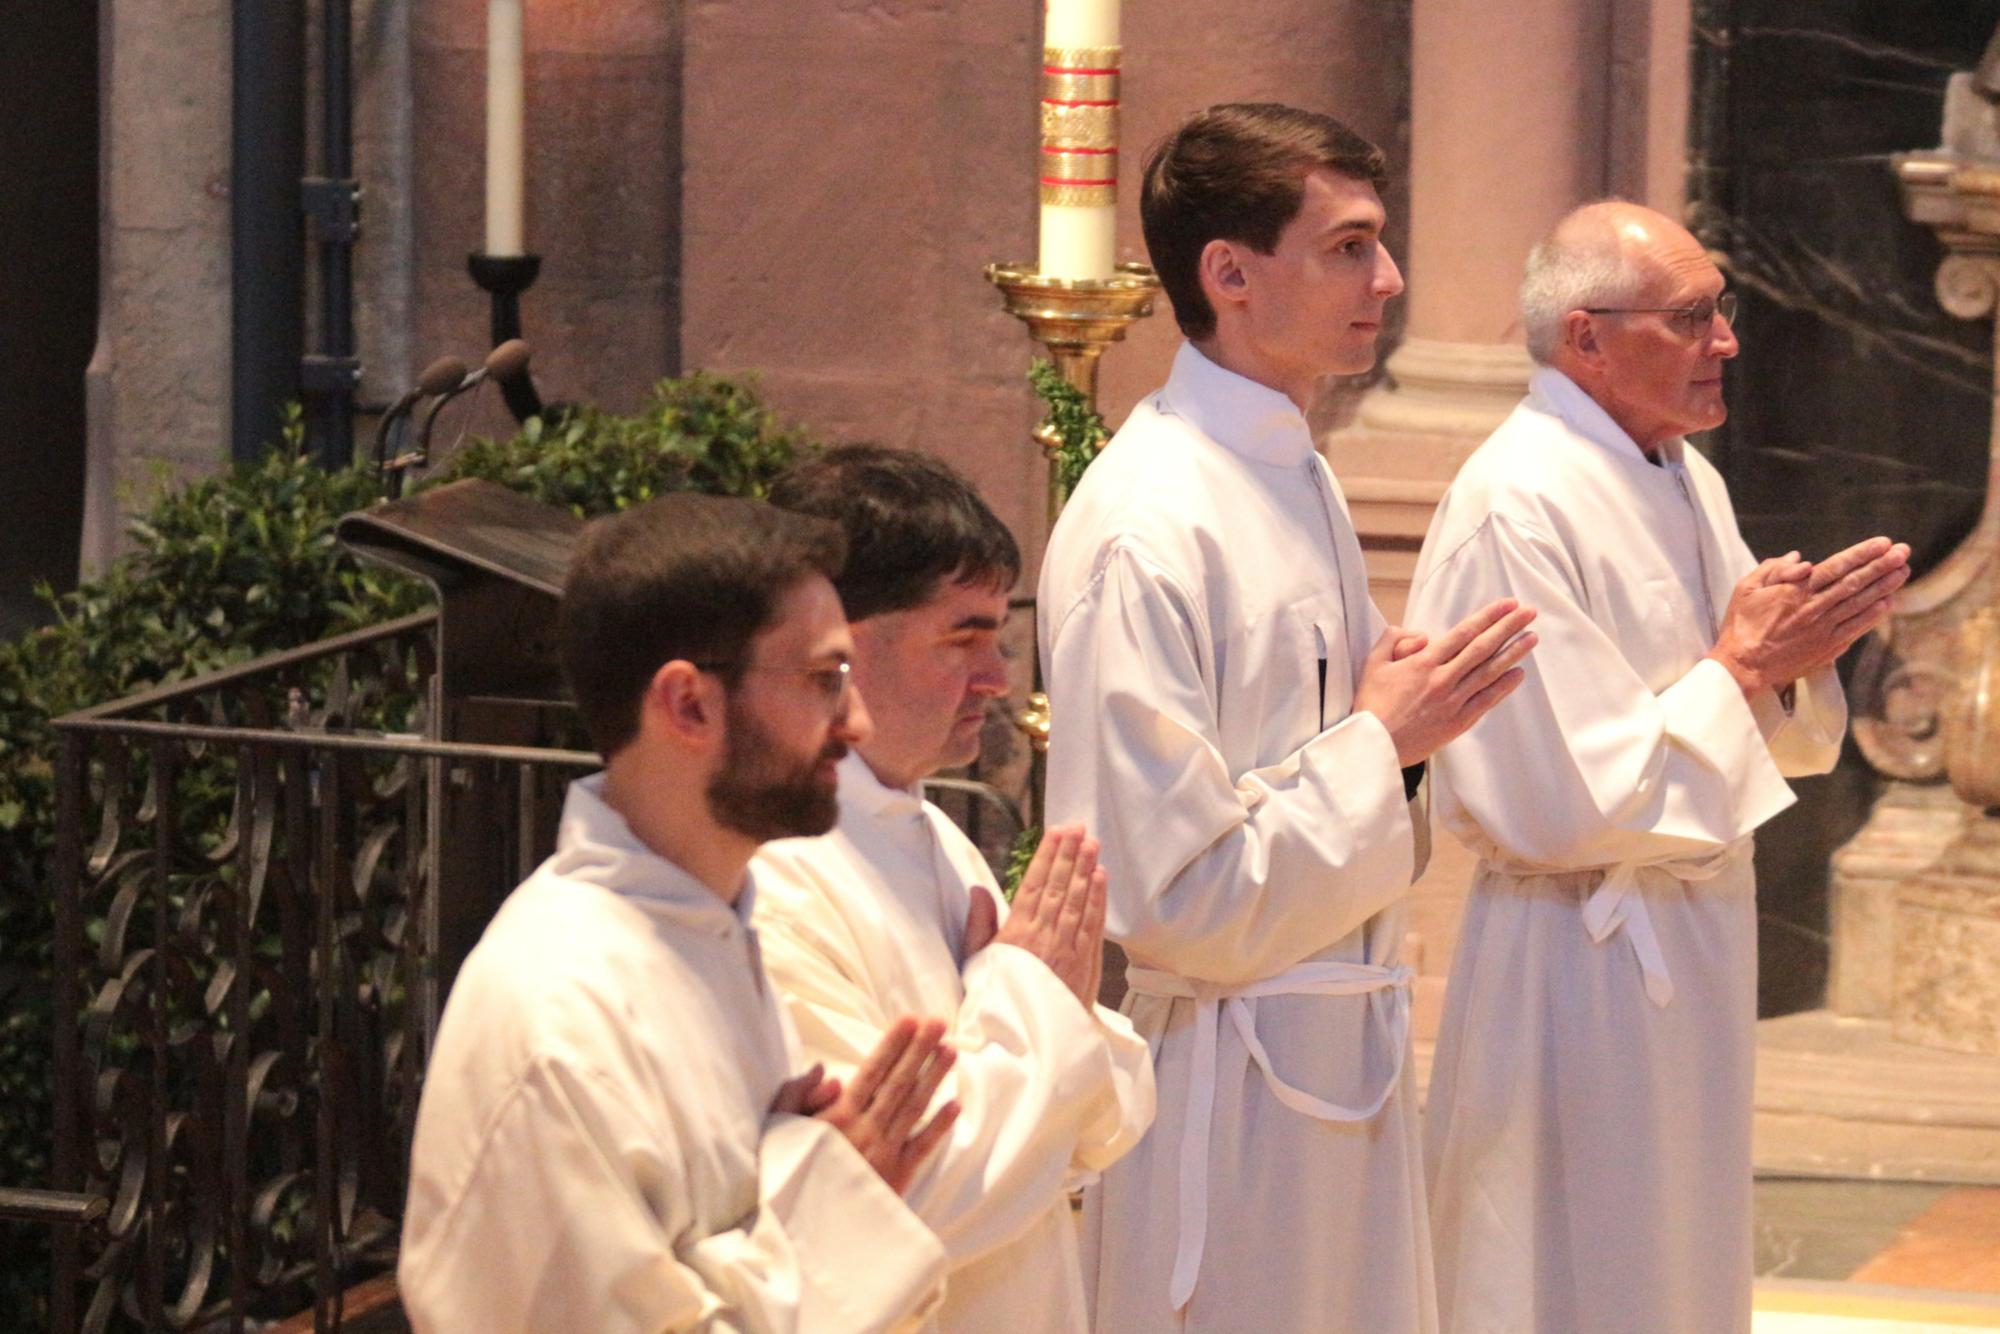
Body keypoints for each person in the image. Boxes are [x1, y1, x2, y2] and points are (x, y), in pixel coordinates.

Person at [1037, 102, 1539, 1332]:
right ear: (1228, 273)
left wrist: (1393, 733)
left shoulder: (1288, 465)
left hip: (1334, 1043)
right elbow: (1171, 893)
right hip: (1228, 1091)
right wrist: (1385, 741)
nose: (1388, 276)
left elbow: (1331, 753)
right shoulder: (1145, 522)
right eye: (1347, 245)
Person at [1407, 200, 1911, 1334]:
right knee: (1559, 1268)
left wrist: (1790, 658)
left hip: (1683, 930)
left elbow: (1750, 701)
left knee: (1670, 1265)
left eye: (1718, 311)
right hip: (1570, 957)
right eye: (1689, 317)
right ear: (1585, 337)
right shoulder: (1514, 500)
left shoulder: (1680, 472)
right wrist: (1741, 667)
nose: (1723, 340)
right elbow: (1553, 797)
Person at [399, 494, 966, 1333]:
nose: (857, 721)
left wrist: (816, 1179)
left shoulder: (721, 926)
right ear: (689, 705)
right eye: (823, 680)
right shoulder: (559, 1015)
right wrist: (834, 1205)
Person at [751, 445, 1155, 1333]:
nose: (999, 680)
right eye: (963, 638)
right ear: (839, 651)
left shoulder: (932, 835)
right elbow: (903, 1203)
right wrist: (1033, 998)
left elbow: (1100, 1127)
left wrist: (1044, 1021)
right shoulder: (770, 880)